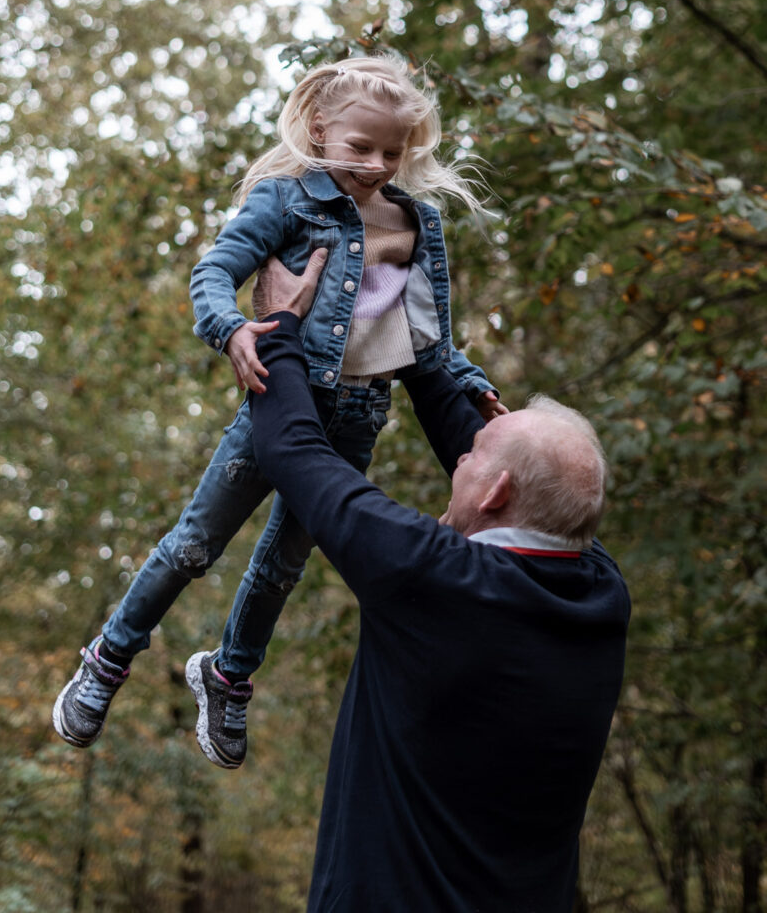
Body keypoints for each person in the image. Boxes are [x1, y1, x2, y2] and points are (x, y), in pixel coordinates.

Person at [53, 54, 505, 769]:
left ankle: (229, 675)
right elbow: (213, 271)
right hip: (278, 396)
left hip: (358, 415)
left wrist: (472, 386)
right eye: (362, 148)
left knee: (283, 566)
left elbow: (429, 340)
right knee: (196, 544)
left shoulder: (419, 225)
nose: (379, 164)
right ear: (320, 129)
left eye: (394, 151)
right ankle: (108, 657)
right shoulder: (285, 200)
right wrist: (229, 328)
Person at [233, 249, 631, 913]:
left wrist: (279, 326)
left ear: (497, 489)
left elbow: (293, 449)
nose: (462, 454)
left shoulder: (436, 577)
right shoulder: (600, 593)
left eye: (473, 455)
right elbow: (513, 476)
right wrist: (397, 286)